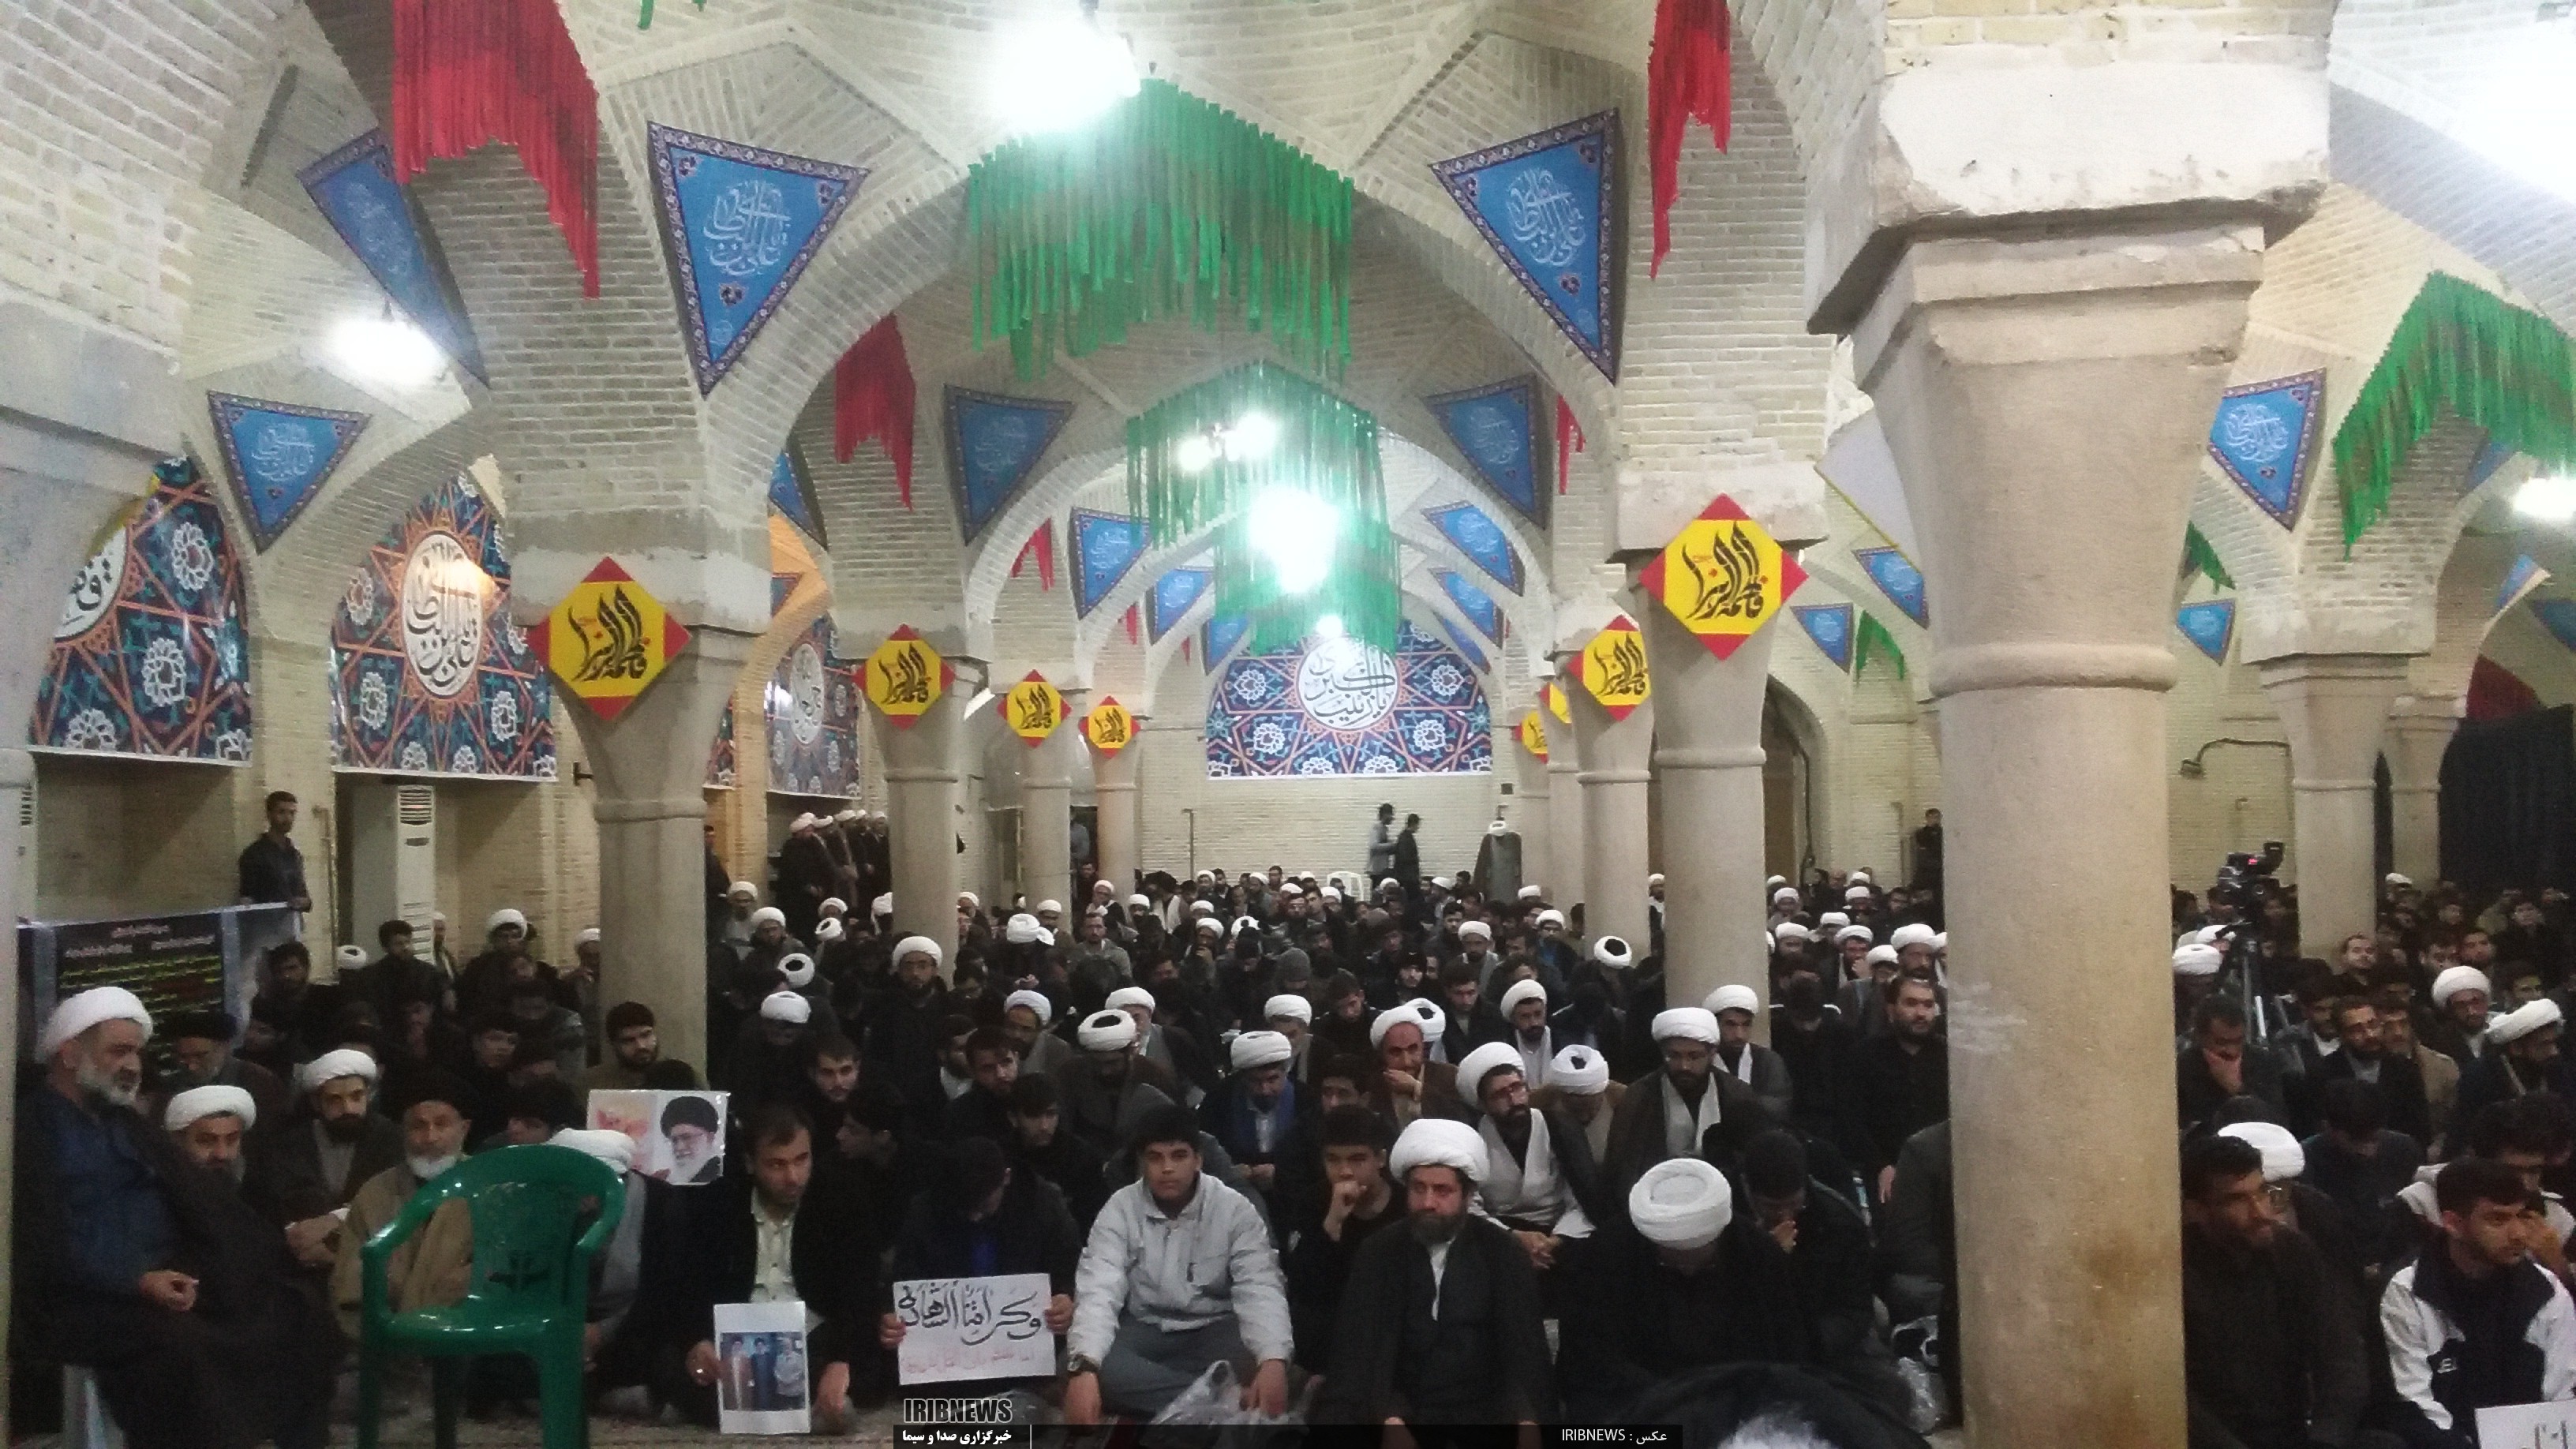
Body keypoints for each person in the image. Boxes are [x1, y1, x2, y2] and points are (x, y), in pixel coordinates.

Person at [15, 987, 339, 1449]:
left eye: (137, 1052)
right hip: (85, 1296)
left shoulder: (122, 1122)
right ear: (69, 1054)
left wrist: (259, 1250)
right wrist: (137, 1279)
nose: (133, 1065)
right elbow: (46, 1236)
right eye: (119, 1051)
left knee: (295, 1310)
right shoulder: (32, 1132)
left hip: (172, 1274)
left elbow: (197, 1202)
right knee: (186, 1349)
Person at [633, 1105, 874, 1430]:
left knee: (865, 1358)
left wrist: (840, 1361)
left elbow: (859, 1291)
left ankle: (716, 1408)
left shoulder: (840, 1200)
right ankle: (804, 1410)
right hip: (736, 1343)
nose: (793, 1177)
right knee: (670, 1358)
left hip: (812, 1338)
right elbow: (686, 1285)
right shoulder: (718, 1205)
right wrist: (696, 1341)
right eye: (777, 1165)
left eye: (801, 1160)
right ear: (750, 1163)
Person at [1315, 1118, 1557, 1425]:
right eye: (1419, 1189)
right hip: (1398, 1413)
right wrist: (1389, 1416)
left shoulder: (1502, 1252)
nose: (1428, 1203)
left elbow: (1524, 1358)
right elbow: (1360, 1355)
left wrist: (1525, 1418)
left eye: (1442, 1190)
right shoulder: (1379, 1252)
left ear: (1467, 1195)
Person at [1063, 1105, 1292, 1422]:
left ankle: (1176, 1398)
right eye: (1155, 1158)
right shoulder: (1120, 1208)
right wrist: (1086, 1366)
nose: (1167, 1168)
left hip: (1217, 1327)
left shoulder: (1234, 1209)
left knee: (1265, 1356)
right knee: (1087, 1366)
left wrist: (1272, 1361)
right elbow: (1099, 1288)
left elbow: (1260, 1287)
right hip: (1146, 1326)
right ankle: (1222, 1401)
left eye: (1179, 1156)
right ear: (1142, 1163)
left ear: (1198, 1160)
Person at [1558, 1156, 1805, 1419]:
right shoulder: (1607, 1255)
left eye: (1703, 1263)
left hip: (1733, 1403)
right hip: (1636, 1405)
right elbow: (1590, 1358)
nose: (1687, 1271)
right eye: (1673, 1261)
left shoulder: (1758, 1256)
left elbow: (1783, 1352)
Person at [2179, 1133, 2370, 1449]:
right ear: (2196, 1210)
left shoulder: (2292, 1251)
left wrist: (2326, 1439)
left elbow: (2340, 1354)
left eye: (2263, 1193)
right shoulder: (2175, 1274)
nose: (2261, 1212)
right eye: (2237, 1200)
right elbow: (2181, 1401)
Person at [877, 1137, 1081, 1412]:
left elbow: (1071, 1263)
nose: (974, 1217)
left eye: (983, 1205)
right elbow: (903, 1278)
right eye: (966, 1207)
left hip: (1029, 1350)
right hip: (947, 1359)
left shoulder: (1043, 1205)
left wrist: (1065, 1297)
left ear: (1006, 1178)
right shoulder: (925, 1210)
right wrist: (891, 1316)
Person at [2383, 1157, 2576, 1446]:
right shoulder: (2408, 1292)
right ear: (2453, 1224)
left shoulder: (2547, 1291)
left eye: (2521, 1216)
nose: (2519, 1234)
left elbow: (2560, 1400)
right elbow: (2414, 1403)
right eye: (2498, 1219)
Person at [1740, 1129, 1908, 1413]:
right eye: (1773, 1207)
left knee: (1889, 1391)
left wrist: (1808, 1342)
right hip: (1749, 1342)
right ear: (1749, 1191)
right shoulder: (1729, 1221)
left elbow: (1854, 1310)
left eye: (1793, 1205)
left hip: (1820, 1339)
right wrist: (1765, 1258)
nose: (1785, 1216)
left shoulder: (1837, 1221)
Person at [330, 1071, 475, 1337]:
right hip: (387, 1339)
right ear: (403, 1131)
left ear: (463, 1129)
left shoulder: (490, 1189)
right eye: (418, 1126)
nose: (430, 1137)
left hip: (467, 1337)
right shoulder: (375, 1193)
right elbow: (350, 1281)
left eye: (442, 1125)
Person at [1454, 1041, 1601, 1271]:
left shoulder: (1559, 1127)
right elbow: (1469, 1206)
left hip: (1560, 1232)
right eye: (1500, 1095)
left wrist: (1555, 1241)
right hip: (1499, 1235)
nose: (1514, 1100)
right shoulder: (1472, 1138)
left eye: (1517, 1087)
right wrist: (1514, 1238)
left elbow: (1582, 1200)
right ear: (1483, 1104)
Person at [1603, 1006, 1774, 1201]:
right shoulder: (1639, 1097)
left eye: (1694, 1056)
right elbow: (1622, 1169)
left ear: (1712, 1054)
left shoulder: (1737, 1094)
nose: (1684, 1066)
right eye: (1674, 1056)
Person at [1282, 1105, 1401, 1373]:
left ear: (1380, 1159)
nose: (1344, 1171)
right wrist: (1332, 1224)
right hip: (1333, 1324)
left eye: (1357, 1159)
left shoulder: (1404, 1205)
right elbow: (1303, 1286)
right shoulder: (1311, 1203)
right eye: (1333, 1160)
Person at [1847, 972, 1949, 1202]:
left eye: (1928, 1005)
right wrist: (1880, 1166)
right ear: (1891, 1010)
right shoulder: (1865, 1056)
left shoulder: (1949, 1057)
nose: (1921, 1013)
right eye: (1911, 1003)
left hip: (1943, 1174)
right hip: (1886, 1175)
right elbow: (1852, 1119)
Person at [1707, 984, 1795, 1122]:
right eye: (1731, 1025)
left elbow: (1779, 1108)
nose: (1739, 1035)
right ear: (1715, 1024)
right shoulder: (1703, 1060)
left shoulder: (1768, 1061)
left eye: (1746, 1025)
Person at [236, 790, 311, 912]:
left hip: (292, 920)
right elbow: (246, 898)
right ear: (269, 814)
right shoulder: (254, 854)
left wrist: (303, 902)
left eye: (292, 813)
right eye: (281, 812)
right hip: (266, 921)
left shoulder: (294, 854)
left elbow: (303, 895)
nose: (288, 818)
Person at [580, 1002, 672, 1092]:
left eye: (645, 1035)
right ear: (614, 1044)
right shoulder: (592, 1083)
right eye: (629, 1041)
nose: (641, 1046)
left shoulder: (675, 1076)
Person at [1368, 803, 1398, 882]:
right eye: (1391, 814)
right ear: (1385, 814)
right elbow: (1374, 846)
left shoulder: (1384, 828)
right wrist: (1391, 845)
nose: (1392, 818)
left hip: (1382, 868)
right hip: (1377, 869)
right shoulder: (1376, 828)